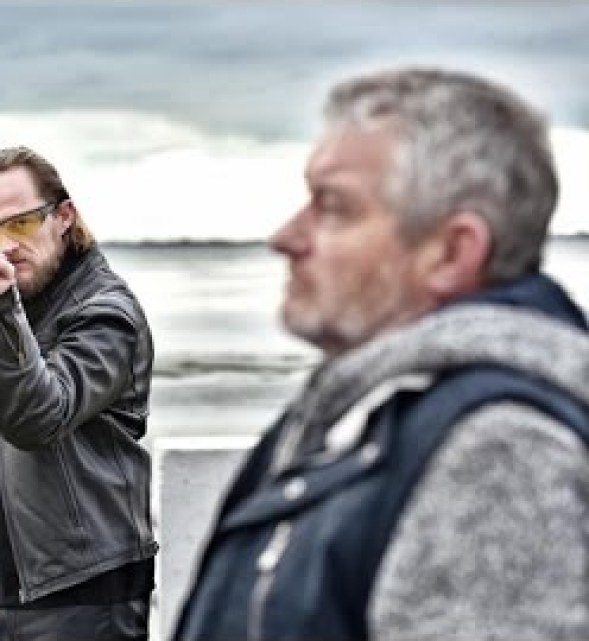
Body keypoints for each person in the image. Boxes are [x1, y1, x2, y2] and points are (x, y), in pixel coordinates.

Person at [173, 67, 589, 641]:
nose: (286, 237)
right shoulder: (364, 413)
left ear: (451, 252)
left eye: (333, 207)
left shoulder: (498, 451)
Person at [0, 146, 157, 640]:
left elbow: (37, 418)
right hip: (19, 573)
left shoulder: (106, 313)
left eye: (21, 225)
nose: (6, 246)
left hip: (87, 584)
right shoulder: (20, 299)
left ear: (64, 216)